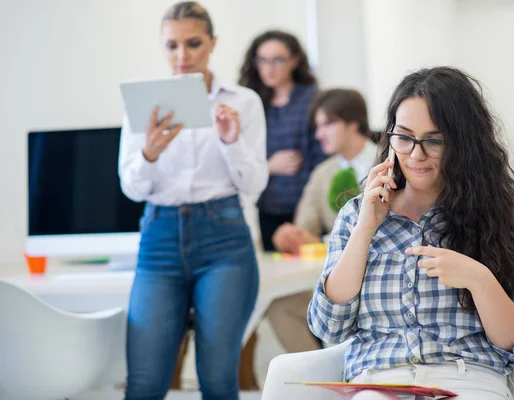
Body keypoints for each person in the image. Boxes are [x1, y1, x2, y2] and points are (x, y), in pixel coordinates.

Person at [307, 67, 514, 400]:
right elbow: (328, 328)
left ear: (464, 144)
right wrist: (364, 231)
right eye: (403, 137)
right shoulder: (356, 216)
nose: (416, 155)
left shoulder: (499, 217)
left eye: (434, 141)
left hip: (468, 378)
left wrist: (479, 280)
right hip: (380, 380)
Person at [118, 2, 267, 399]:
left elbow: (254, 183)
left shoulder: (243, 102)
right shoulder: (144, 103)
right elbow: (132, 188)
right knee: (145, 381)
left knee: (217, 379)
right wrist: (149, 151)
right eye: (171, 46)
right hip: (159, 238)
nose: (182, 56)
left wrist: (231, 140)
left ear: (213, 43)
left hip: (223, 238)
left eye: (193, 43)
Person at [268, 88, 377, 353]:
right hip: (337, 275)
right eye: (317, 127)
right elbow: (305, 228)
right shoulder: (322, 173)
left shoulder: (388, 161)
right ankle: (321, 384)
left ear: (353, 123)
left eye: (327, 124)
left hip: (380, 274)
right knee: (280, 307)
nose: (318, 135)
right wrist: (291, 236)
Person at [239, 30, 325, 251]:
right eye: (262, 60)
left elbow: (323, 156)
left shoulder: (312, 99)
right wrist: (270, 166)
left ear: (294, 61)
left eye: (277, 59)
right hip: (268, 206)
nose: (269, 68)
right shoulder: (251, 103)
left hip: (307, 206)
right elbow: (241, 157)